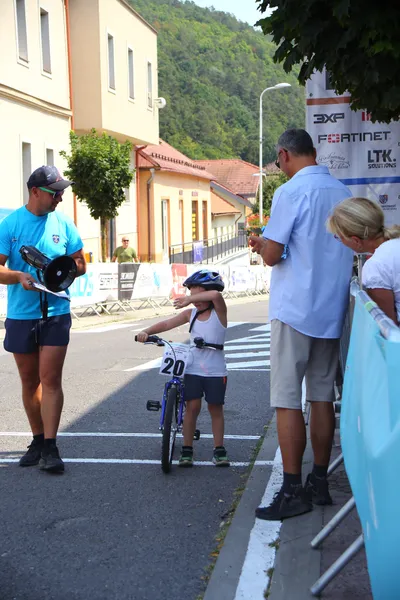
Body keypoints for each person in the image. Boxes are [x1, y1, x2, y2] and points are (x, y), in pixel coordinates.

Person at [249, 129, 354, 520]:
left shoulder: (290, 192)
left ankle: (292, 489)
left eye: (279, 162)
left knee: (287, 398)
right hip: (331, 309)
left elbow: (274, 256)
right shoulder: (342, 192)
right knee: (322, 396)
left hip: (294, 309)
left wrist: (264, 246)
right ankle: (320, 482)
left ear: (284, 155)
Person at [0, 166, 86, 474]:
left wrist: (63, 271)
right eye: (55, 192)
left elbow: (80, 263)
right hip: (22, 315)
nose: (60, 197)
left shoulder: (63, 223)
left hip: (56, 313)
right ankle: (37, 440)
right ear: (35, 192)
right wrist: (18, 275)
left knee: (50, 379)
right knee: (29, 381)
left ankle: (51, 447)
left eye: (62, 191)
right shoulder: (9, 225)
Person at [136, 269, 230, 467]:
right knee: (192, 408)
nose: (195, 300)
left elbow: (216, 295)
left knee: (215, 408)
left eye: (198, 295)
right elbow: (167, 323)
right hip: (193, 368)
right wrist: (146, 331)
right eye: (192, 295)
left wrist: (188, 298)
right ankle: (187, 450)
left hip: (215, 370)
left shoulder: (219, 311)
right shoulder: (191, 313)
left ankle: (219, 449)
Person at [327, 196, 400, 324]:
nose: (341, 243)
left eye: (339, 238)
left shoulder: (376, 266)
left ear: (355, 240)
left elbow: (388, 327)